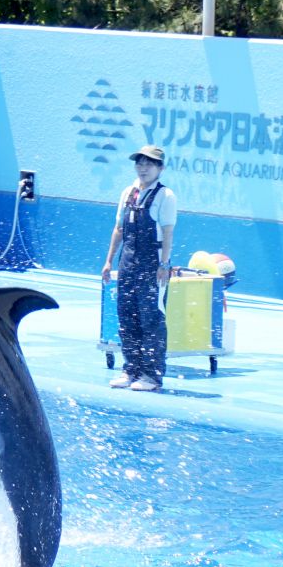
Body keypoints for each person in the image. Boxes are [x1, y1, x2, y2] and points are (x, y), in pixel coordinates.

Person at [101, 145, 177, 392]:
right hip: (127, 263)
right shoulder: (128, 193)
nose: (143, 168)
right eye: (140, 163)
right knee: (127, 317)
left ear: (160, 169)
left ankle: (151, 375)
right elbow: (118, 229)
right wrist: (109, 261)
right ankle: (130, 369)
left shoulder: (165, 196)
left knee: (151, 319)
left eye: (149, 164)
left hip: (152, 265)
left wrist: (164, 265)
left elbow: (167, 233)